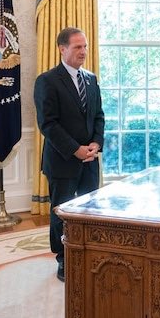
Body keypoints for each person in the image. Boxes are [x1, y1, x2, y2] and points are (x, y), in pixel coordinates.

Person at [33, 27, 105, 282]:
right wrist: (76, 150)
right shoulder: (47, 81)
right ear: (62, 49)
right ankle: (63, 259)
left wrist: (96, 143)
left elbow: (98, 116)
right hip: (63, 161)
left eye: (85, 46)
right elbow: (48, 124)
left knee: (88, 212)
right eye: (77, 47)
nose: (83, 52)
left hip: (90, 161)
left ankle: (86, 254)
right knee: (61, 214)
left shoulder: (91, 78)